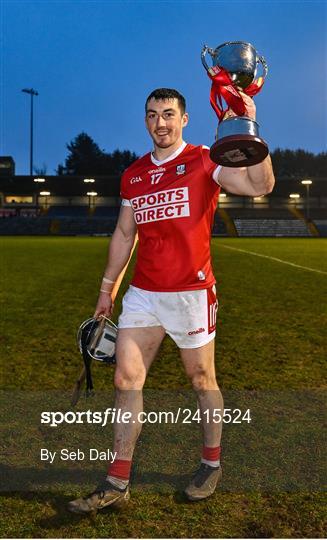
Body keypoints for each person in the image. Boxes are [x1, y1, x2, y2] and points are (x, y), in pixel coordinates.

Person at [68, 88, 275, 514]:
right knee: (125, 380)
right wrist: (107, 290)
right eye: (151, 115)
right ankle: (117, 479)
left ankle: (210, 463)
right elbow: (125, 234)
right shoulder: (134, 175)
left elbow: (261, 184)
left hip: (192, 293)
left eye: (168, 114)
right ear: (144, 120)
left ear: (184, 119)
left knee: (202, 381)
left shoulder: (204, 159)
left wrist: (250, 127)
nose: (159, 123)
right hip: (144, 294)